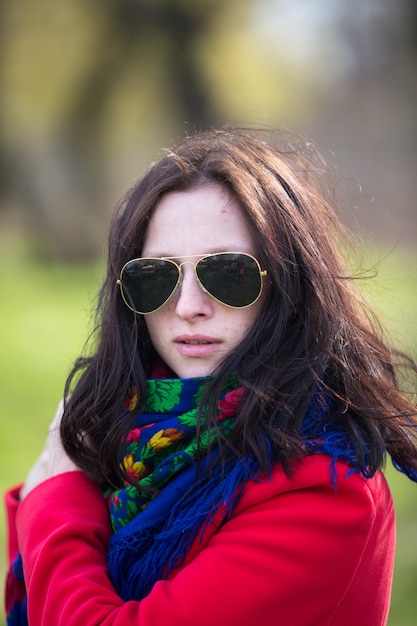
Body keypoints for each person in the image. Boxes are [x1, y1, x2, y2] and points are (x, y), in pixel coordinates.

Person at [4, 127, 417, 626]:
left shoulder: (326, 490)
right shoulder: (122, 438)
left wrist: (55, 498)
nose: (188, 307)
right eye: (157, 275)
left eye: (228, 274)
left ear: (290, 284)